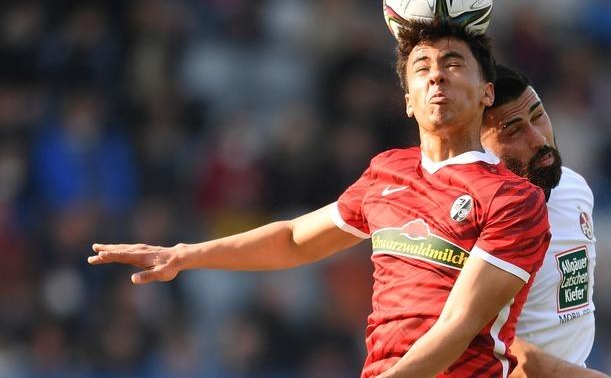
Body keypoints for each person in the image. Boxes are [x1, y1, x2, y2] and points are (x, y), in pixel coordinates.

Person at [88, 20, 551, 378]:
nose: (436, 77)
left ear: (487, 92)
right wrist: (185, 255)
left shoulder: (515, 200)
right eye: (421, 68)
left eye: (453, 63)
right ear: (407, 99)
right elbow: (294, 239)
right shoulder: (388, 171)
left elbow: (460, 324)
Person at [481, 64, 606, 378]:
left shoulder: (575, 188)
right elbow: (483, 341)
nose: (537, 138)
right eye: (514, 130)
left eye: (537, 116)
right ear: (479, 148)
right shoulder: (477, 223)